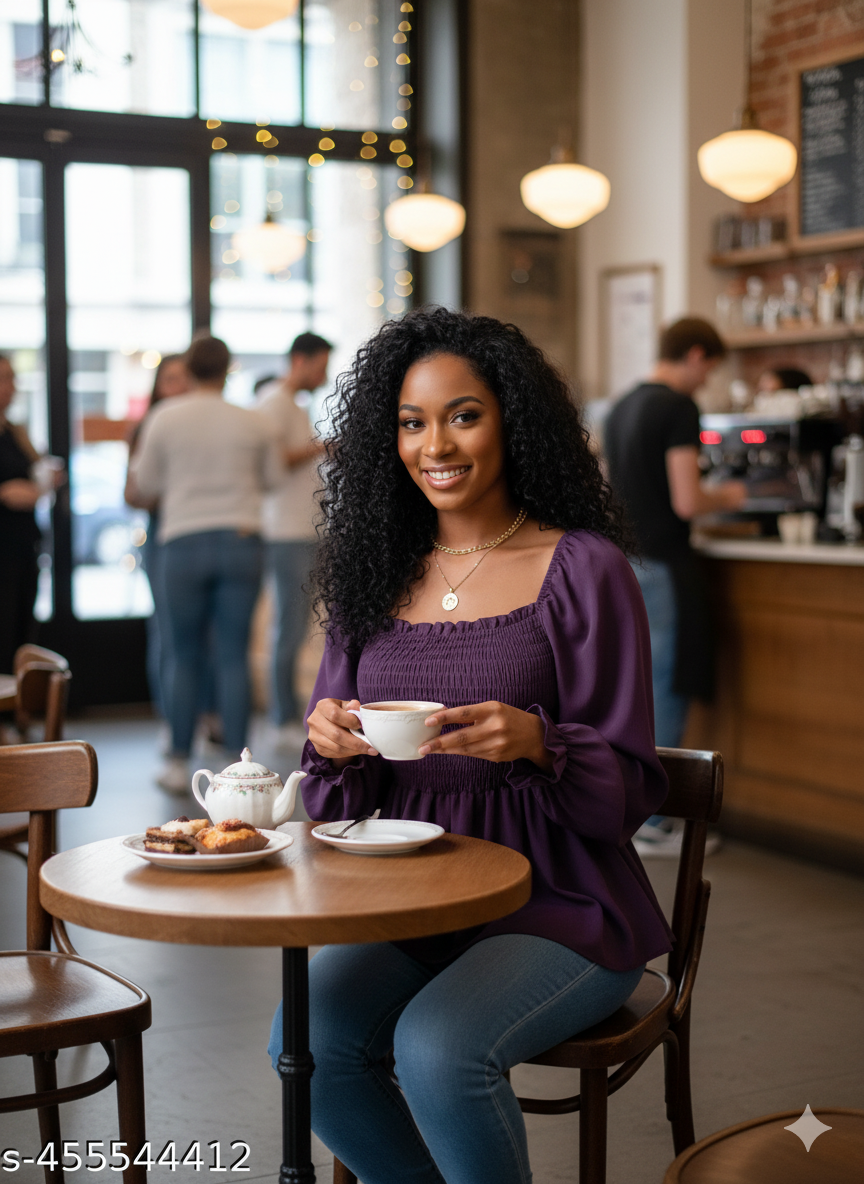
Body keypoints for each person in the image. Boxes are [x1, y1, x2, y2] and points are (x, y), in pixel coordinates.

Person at [267, 308, 674, 1184]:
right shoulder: (373, 573)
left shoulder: (583, 567)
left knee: (439, 1048)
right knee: (306, 1044)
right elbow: (333, 803)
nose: (435, 446)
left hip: (563, 898)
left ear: (512, 422)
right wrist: (331, 746)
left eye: (463, 415)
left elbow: (630, 792)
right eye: (411, 423)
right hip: (413, 898)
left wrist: (539, 742)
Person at [604, 317, 747, 857]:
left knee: (632, 685)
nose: (706, 379)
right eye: (708, 368)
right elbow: (688, 500)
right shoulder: (679, 408)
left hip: (623, 560)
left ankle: (628, 808)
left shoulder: (621, 406)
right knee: (666, 684)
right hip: (663, 562)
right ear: (694, 354)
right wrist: (732, 496)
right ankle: (656, 821)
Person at [131, 336, 282, 793]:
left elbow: (145, 483)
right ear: (227, 369)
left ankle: (179, 762)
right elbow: (274, 479)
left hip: (183, 541)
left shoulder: (164, 417)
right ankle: (239, 768)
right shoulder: (253, 421)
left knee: (183, 653)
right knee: (234, 654)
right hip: (242, 540)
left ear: (190, 369)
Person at [255, 332, 331, 749]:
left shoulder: (294, 405)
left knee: (299, 627)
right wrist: (321, 447)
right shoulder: (273, 402)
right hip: (285, 533)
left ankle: (289, 714)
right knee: (288, 627)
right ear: (300, 360)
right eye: (320, 365)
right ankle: (282, 718)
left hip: (304, 530)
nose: (323, 374)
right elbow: (270, 461)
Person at [0, 354, 63, 677]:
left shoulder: (15, 432)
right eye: (2, 378)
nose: (9, 386)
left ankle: (17, 706)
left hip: (23, 546)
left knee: (21, 636)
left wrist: (44, 483)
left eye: (11, 378)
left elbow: (37, 477)